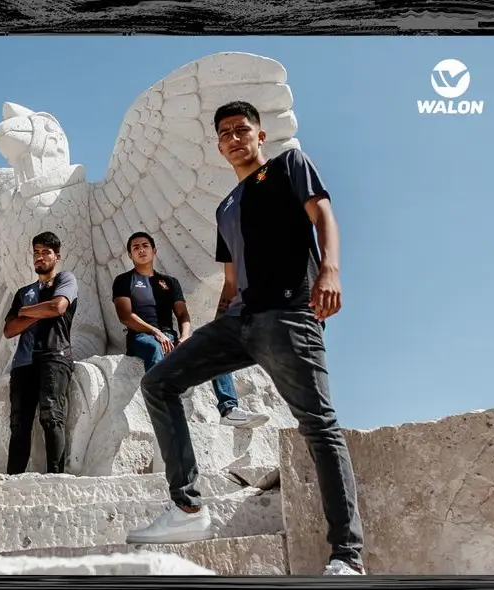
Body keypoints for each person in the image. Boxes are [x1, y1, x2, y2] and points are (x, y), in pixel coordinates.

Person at [125, 101, 366, 576]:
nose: (234, 138)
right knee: (159, 384)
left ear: (260, 136)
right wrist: (213, 331)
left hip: (289, 311)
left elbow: (324, 217)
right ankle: (188, 508)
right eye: (225, 133)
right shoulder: (225, 206)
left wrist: (331, 269)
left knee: (318, 425)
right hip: (239, 321)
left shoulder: (289, 166)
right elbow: (231, 281)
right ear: (219, 146)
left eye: (242, 129)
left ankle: (347, 555)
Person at [112, 231, 268, 428]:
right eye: (135, 248)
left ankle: (229, 409)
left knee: (214, 349)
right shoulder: (124, 280)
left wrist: (185, 337)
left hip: (171, 337)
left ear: (154, 250)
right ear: (130, 255)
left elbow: (182, 315)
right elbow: (125, 315)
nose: (141, 250)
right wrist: (155, 332)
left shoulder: (169, 282)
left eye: (145, 245)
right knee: (154, 348)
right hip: (141, 337)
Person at [2, 231, 79, 474]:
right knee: (18, 424)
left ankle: (56, 477)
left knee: (51, 416)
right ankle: (13, 478)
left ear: (57, 256)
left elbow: (58, 306)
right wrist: (36, 312)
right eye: (36, 252)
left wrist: (25, 312)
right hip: (23, 363)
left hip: (54, 356)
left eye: (46, 252)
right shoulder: (23, 292)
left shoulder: (65, 280)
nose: (40, 256)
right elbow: (9, 330)